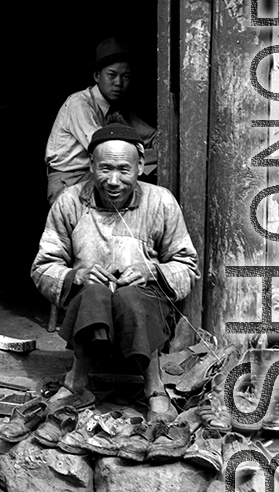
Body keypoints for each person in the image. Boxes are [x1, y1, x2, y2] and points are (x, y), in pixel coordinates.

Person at [31, 123, 198, 418]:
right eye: (105, 169)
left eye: (124, 170)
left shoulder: (160, 201)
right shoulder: (69, 202)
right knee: (94, 292)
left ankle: (154, 387)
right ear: (91, 165)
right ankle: (76, 383)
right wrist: (76, 276)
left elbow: (186, 265)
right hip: (89, 316)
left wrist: (152, 272)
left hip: (146, 314)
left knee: (130, 297)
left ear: (141, 166)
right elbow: (43, 267)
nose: (113, 180)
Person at [44, 37, 157, 205]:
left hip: (101, 176)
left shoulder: (120, 109)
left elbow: (153, 137)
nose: (119, 83)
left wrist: (160, 152)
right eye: (112, 75)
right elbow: (104, 148)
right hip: (70, 181)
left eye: (125, 76)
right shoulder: (79, 104)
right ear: (97, 76)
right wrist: (151, 156)